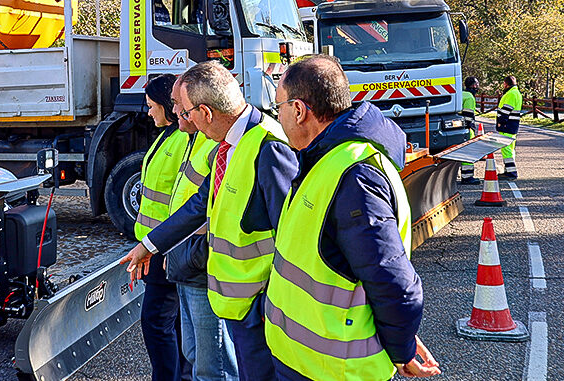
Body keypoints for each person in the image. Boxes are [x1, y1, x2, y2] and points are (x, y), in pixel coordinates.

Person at [265, 55, 441, 380]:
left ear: (300, 110)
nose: (278, 116)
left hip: (335, 369)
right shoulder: (325, 158)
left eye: (279, 107)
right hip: (308, 361)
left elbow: (395, 284)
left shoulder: (354, 176)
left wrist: (401, 349)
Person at [121, 61, 298, 381]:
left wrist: (273, 303)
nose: (184, 120)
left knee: (223, 371)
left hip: (257, 300)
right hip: (230, 292)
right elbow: (200, 204)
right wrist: (149, 246)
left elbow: (291, 232)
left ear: (206, 112)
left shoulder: (267, 146)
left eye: (186, 112)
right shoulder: (227, 145)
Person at [167, 77, 239, 381]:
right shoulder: (199, 139)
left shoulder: (225, 144)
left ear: (204, 111)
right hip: (186, 258)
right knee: (197, 357)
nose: (177, 114)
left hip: (205, 264)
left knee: (215, 367)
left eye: (182, 108)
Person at [137, 73, 191, 381]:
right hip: (157, 244)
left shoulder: (180, 138)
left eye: (151, 106)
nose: (149, 112)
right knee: (171, 321)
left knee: (157, 322)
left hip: (165, 247)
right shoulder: (168, 136)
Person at [496, 75, 523, 180]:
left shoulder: (511, 94)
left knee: (506, 148)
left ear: (506, 84)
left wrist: (501, 122)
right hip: (513, 125)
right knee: (510, 149)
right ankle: (509, 170)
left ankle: (511, 173)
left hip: (507, 125)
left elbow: (506, 110)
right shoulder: (516, 93)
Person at [460, 76, 480, 185]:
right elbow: (468, 116)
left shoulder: (461, 94)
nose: (477, 87)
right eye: (477, 84)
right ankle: (467, 176)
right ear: (473, 85)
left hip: (458, 127)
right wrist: (470, 128)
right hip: (467, 129)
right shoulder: (469, 97)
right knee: (468, 152)